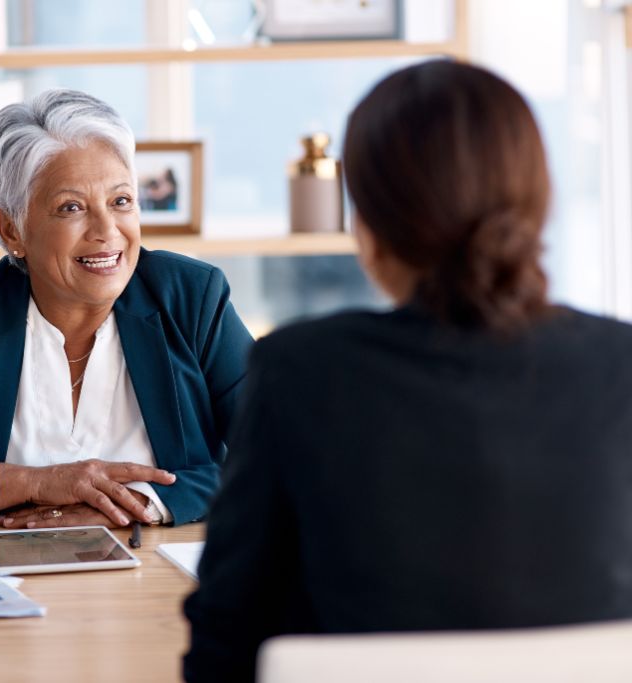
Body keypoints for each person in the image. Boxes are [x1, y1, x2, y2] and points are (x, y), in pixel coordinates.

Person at [183, 60, 632, 682]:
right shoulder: (620, 364)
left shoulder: (301, 371)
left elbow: (226, 643)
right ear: (538, 202)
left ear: (368, 228)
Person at [0, 89, 254, 531]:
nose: (107, 231)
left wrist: (137, 500)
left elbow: (282, 455)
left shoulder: (192, 297)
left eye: (121, 202)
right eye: (71, 208)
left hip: (156, 577)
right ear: (11, 229)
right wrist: (40, 483)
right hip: (1, 580)